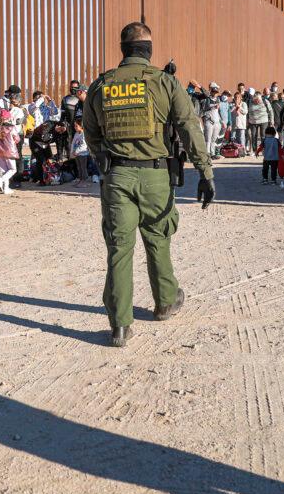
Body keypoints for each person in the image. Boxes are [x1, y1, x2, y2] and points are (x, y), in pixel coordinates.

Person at [83, 22, 214, 348]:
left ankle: (120, 326)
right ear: (148, 50)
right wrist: (205, 172)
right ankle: (166, 301)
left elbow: (91, 133)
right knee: (158, 240)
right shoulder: (164, 82)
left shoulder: (102, 85)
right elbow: (188, 126)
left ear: (123, 49)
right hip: (156, 175)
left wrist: (107, 165)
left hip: (118, 177)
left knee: (118, 249)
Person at [0, 109, 20, 194]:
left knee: (5, 170)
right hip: (9, 151)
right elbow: (17, 139)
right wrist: (14, 141)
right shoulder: (11, 127)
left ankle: (5, 188)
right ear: (8, 118)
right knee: (12, 169)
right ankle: (0, 181)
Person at [71, 120, 91, 185]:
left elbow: (84, 145)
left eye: (76, 126)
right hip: (77, 154)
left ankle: (84, 179)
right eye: (74, 126)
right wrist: (72, 152)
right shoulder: (76, 134)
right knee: (78, 167)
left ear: (81, 126)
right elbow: (73, 143)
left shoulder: (84, 134)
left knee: (83, 167)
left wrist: (76, 151)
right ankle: (80, 178)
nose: (75, 127)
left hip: (83, 154)